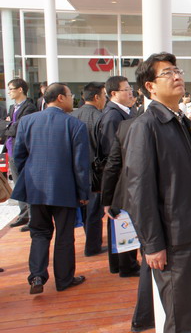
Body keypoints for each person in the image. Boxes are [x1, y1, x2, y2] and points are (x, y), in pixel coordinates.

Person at [123, 52, 191, 332]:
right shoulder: (146, 127)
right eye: (167, 73)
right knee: (180, 319)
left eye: (177, 71)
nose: (177, 76)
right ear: (150, 86)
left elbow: (182, 168)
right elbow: (139, 191)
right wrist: (152, 244)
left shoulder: (179, 121)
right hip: (174, 239)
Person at [12, 83, 89, 294]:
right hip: (65, 189)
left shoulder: (27, 121)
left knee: (39, 233)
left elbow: (18, 156)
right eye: (70, 94)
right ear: (60, 98)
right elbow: (80, 165)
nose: (73, 98)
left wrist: (31, 177)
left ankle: (37, 276)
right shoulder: (75, 125)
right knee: (64, 236)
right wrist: (83, 193)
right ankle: (64, 280)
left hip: (36, 188)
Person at [102, 95, 154, 333]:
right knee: (148, 247)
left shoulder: (124, 126)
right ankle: (144, 315)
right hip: (149, 196)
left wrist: (107, 199)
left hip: (125, 192)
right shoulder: (155, 126)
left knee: (130, 236)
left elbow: (113, 164)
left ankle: (124, 266)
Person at [97, 75, 140, 278]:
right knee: (122, 220)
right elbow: (111, 157)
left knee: (120, 221)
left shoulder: (125, 112)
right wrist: (108, 193)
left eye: (130, 88)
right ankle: (125, 265)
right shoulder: (113, 116)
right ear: (113, 93)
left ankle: (121, 263)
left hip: (121, 177)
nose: (130, 92)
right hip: (119, 178)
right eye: (126, 89)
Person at [71, 81, 107, 257]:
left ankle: (90, 241)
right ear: (97, 97)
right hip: (94, 172)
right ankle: (92, 247)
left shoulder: (72, 116)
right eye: (104, 95)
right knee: (94, 211)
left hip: (75, 171)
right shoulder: (100, 118)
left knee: (85, 210)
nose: (105, 99)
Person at [5, 78, 38, 232]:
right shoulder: (12, 107)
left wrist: (8, 125)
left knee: (27, 184)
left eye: (11, 89)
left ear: (20, 89)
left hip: (23, 151)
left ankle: (32, 217)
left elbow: (17, 129)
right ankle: (23, 214)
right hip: (11, 149)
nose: (9, 92)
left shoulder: (29, 108)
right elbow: (9, 128)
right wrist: (9, 126)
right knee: (18, 184)